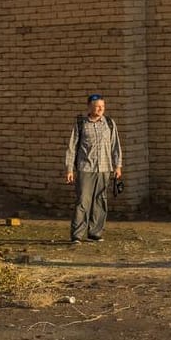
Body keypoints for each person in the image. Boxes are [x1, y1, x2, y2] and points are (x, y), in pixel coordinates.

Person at [65, 94, 122, 244]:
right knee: (83, 201)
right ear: (89, 107)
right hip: (85, 168)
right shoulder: (80, 124)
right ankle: (77, 234)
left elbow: (115, 146)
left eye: (103, 106)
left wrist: (118, 166)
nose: (101, 109)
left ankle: (95, 233)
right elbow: (72, 148)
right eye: (97, 106)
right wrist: (69, 169)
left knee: (100, 201)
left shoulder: (109, 123)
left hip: (104, 169)